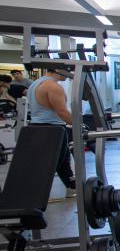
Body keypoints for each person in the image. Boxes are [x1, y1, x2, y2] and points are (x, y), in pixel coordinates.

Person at [26, 69, 76, 199]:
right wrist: (80, 125)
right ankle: (34, 196)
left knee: (64, 161)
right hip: (52, 129)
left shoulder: (35, 84)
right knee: (50, 165)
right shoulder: (53, 86)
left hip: (38, 127)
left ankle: (71, 187)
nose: (69, 74)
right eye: (68, 70)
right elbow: (62, 112)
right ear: (58, 70)